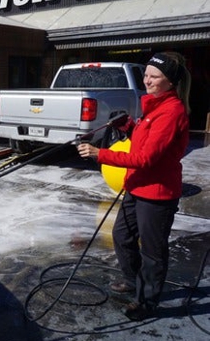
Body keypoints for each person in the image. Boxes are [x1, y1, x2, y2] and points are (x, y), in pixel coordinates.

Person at [77, 52, 191, 321]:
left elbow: (145, 158)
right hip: (136, 187)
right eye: (146, 75)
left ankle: (147, 301)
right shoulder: (152, 106)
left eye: (154, 76)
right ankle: (132, 280)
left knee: (153, 251)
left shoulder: (171, 112)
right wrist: (128, 125)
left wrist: (98, 154)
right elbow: (142, 142)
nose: (147, 80)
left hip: (157, 193)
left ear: (170, 82)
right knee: (122, 236)